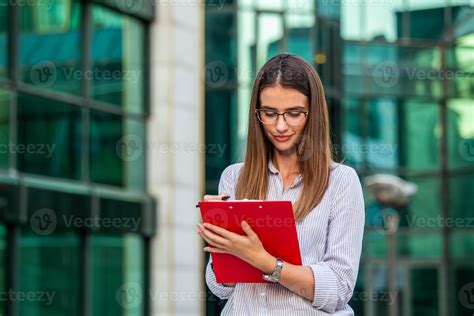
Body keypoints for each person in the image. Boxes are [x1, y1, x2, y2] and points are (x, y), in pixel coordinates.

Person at [196, 53, 365, 315]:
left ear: (313, 114)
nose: (280, 125)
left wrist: (264, 262)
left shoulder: (341, 181)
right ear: (257, 113)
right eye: (269, 113)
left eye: (294, 113)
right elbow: (222, 288)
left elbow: (340, 288)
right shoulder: (234, 178)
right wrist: (224, 248)